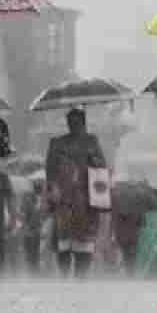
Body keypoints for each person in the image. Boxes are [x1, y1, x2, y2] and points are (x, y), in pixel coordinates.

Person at [45, 108, 107, 278]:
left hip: (85, 202)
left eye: (78, 122)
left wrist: (95, 160)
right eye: (71, 122)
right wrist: (53, 191)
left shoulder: (92, 142)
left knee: (84, 244)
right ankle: (65, 277)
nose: (74, 125)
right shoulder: (57, 143)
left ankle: (81, 279)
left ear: (83, 123)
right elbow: (50, 172)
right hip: (63, 201)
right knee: (63, 244)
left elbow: (101, 168)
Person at [20, 178, 44, 276]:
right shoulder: (28, 198)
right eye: (37, 185)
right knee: (31, 255)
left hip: (36, 232)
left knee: (35, 255)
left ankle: (34, 274)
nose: (38, 187)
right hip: (30, 232)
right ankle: (32, 274)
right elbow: (24, 214)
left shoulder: (42, 198)